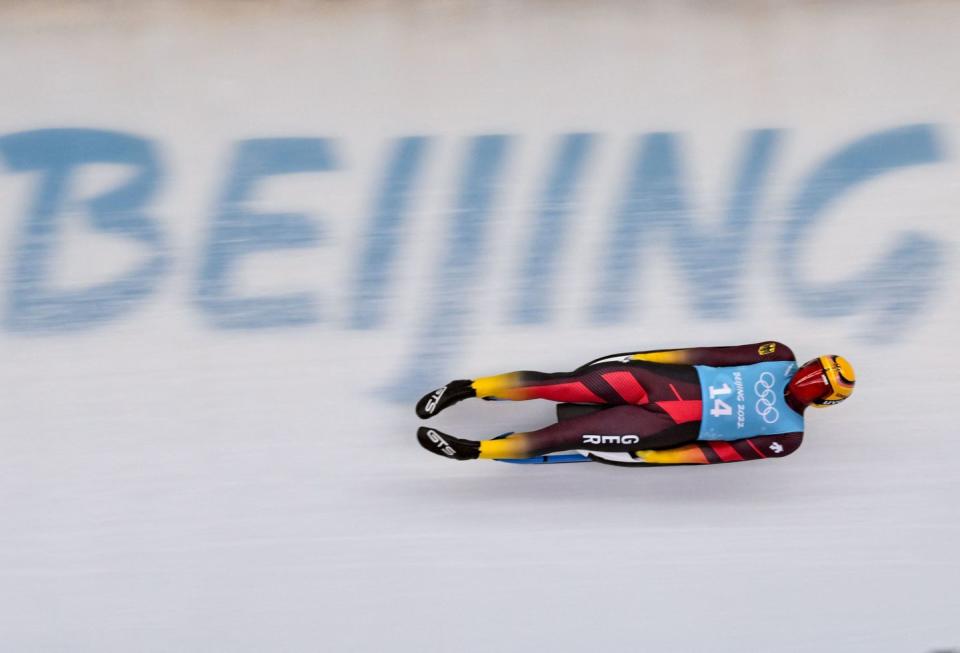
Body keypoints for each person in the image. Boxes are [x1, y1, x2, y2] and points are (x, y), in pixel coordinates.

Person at [415, 341, 855, 466]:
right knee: (563, 386)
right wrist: (647, 360)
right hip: (657, 384)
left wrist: (659, 457)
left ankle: (473, 450)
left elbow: (719, 454)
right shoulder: (776, 357)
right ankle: (466, 388)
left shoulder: (787, 436)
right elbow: (710, 356)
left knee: (566, 434)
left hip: (659, 416)